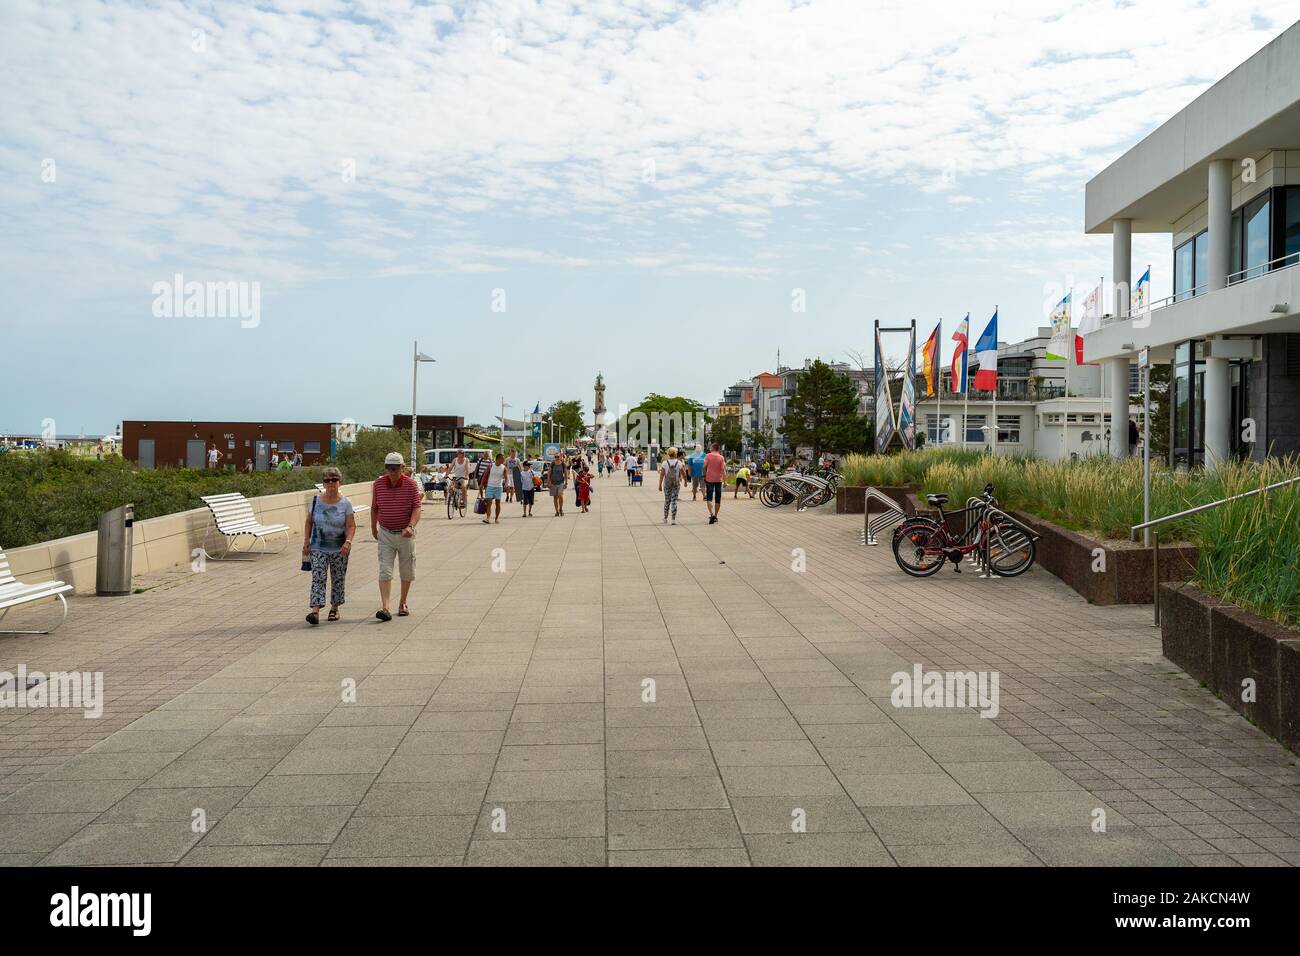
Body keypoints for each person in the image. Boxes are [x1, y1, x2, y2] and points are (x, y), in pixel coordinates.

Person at [371, 452, 423, 621]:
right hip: (386, 532)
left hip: (405, 533)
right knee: (385, 570)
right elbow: (374, 507)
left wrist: (410, 526)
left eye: (395, 468)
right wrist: (373, 527)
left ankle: (403, 602)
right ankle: (385, 607)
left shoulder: (411, 485)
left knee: (406, 570)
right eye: (388, 468)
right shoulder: (378, 484)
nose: (391, 472)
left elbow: (416, 508)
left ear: (402, 467)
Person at [303, 466, 355, 626]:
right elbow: (309, 521)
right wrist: (306, 541)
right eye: (327, 480)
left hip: (340, 548)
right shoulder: (315, 500)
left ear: (340, 482)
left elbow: (351, 525)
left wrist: (348, 541)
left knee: (338, 578)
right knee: (318, 577)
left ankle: (335, 608)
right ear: (323, 483)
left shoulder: (346, 503)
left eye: (334, 480)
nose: (331, 483)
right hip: (318, 546)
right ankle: (315, 611)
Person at [659, 446, 686, 524]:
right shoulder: (679, 463)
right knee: (674, 500)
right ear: (675, 454)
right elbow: (683, 474)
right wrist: (685, 482)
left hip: (667, 484)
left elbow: (662, 475)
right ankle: (673, 519)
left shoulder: (664, 463)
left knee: (667, 500)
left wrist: (660, 485)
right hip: (676, 484)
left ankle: (665, 518)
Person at [703, 442, 726, 524]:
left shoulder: (708, 456)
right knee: (717, 498)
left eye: (710, 447)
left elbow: (704, 466)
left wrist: (704, 475)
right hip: (718, 480)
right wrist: (725, 481)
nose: (709, 448)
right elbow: (723, 470)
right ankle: (716, 516)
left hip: (709, 479)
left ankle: (711, 514)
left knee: (709, 498)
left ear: (713, 448)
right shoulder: (721, 457)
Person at [483, 452, 507, 524]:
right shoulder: (490, 466)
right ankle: (488, 518)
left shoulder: (503, 468)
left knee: (498, 503)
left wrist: (506, 483)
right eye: (502, 459)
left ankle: (496, 518)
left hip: (498, 487)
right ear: (498, 459)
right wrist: (481, 484)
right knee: (489, 502)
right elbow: (485, 475)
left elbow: (506, 477)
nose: (503, 460)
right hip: (490, 486)